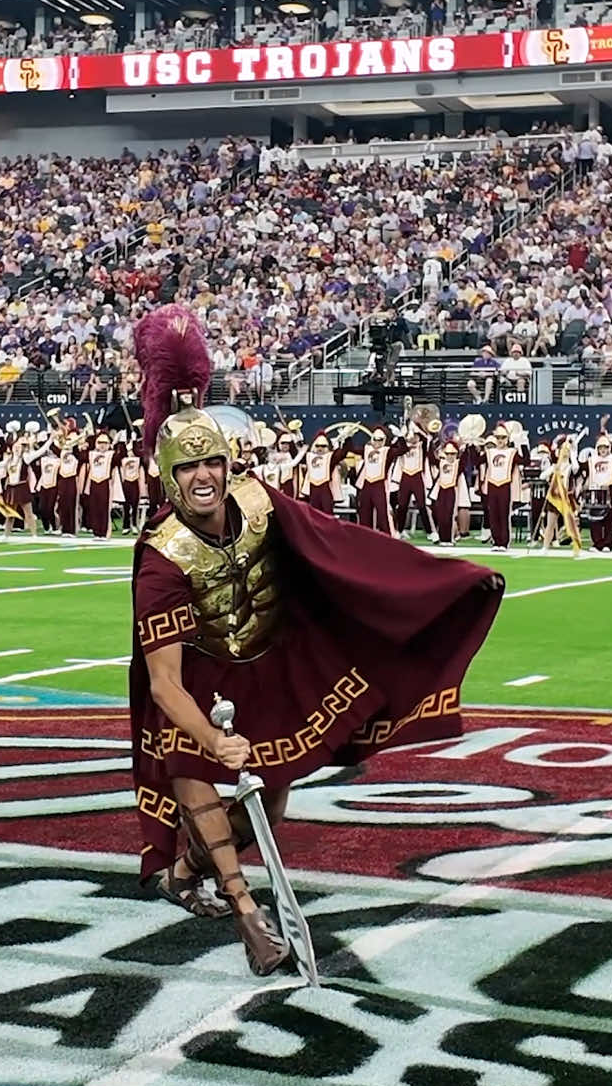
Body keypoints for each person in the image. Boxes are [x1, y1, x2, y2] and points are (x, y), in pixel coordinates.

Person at [128, 307, 504, 976]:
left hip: (265, 667)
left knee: (264, 808)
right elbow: (164, 683)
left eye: (212, 460)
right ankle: (249, 914)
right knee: (194, 769)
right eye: (187, 469)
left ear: (228, 461)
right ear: (169, 479)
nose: (203, 476)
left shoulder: (261, 502)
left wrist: (446, 580)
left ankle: (187, 872)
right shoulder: (163, 560)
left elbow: (340, 552)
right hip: (195, 679)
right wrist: (214, 740)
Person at [479, 423, 522, 553]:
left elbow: (525, 460)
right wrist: (471, 446)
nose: (500, 441)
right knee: (493, 515)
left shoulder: (511, 452)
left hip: (504, 485)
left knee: (503, 515)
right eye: (498, 438)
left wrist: (522, 443)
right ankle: (496, 541)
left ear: (507, 439)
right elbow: (477, 461)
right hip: (492, 485)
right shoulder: (490, 452)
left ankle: (503, 542)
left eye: (503, 438)